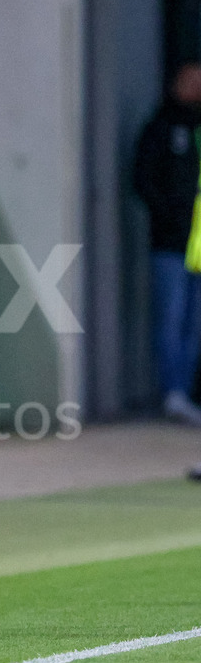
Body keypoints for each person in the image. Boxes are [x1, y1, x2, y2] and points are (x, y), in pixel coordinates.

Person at [133, 63, 201, 427]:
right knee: (171, 319)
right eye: (191, 81)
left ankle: (186, 392)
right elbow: (142, 180)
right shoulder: (161, 127)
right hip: (173, 244)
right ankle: (172, 393)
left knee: (195, 325)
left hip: (200, 247)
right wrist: (170, 215)